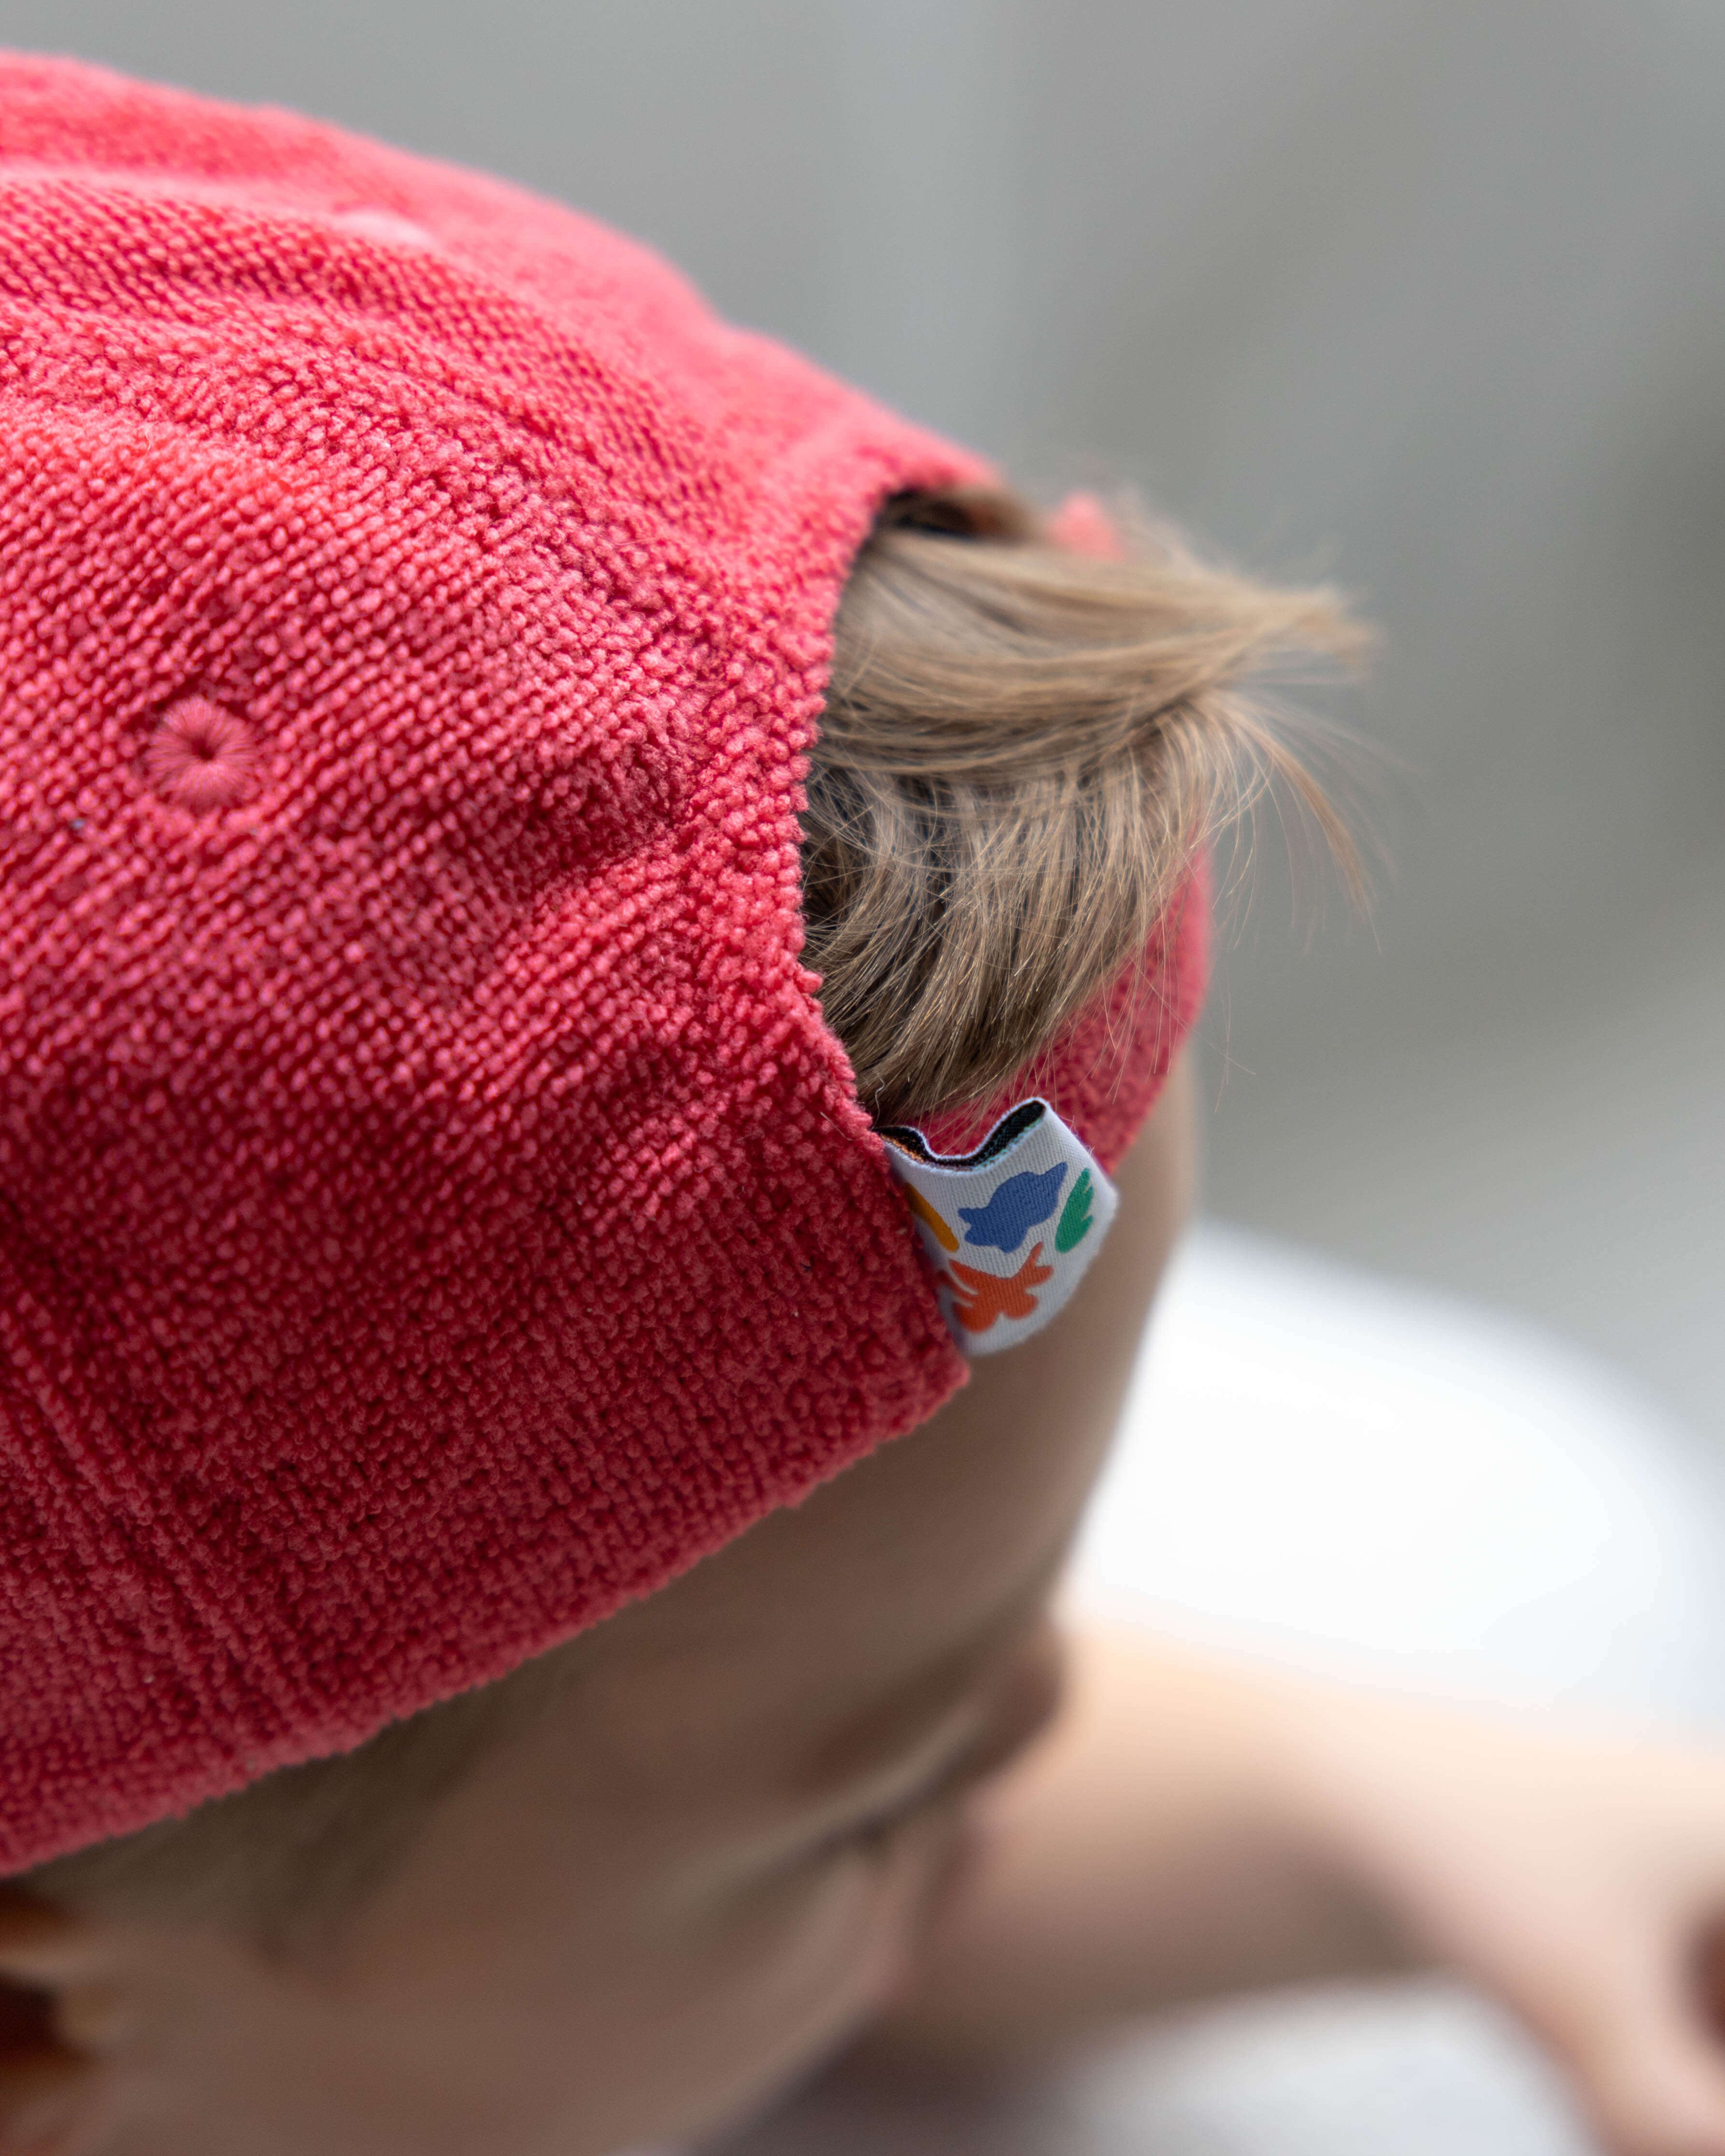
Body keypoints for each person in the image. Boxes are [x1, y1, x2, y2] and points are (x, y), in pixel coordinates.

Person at [3, 53, 1725, 2156]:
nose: (1069, 1715)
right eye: (890, 1810)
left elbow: (603, 1792)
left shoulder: (279, 1953)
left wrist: (1372, 1817)